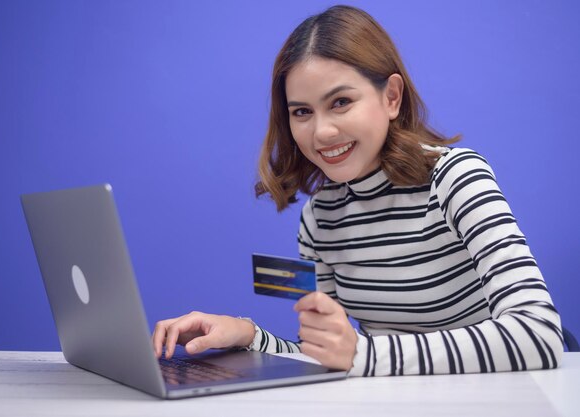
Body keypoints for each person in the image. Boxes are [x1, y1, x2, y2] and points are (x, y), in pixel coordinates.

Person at [152, 5, 563, 376]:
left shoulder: (455, 177)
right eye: (302, 112)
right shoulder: (319, 220)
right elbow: (328, 354)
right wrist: (246, 336)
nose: (322, 132)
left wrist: (365, 357)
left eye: (341, 102)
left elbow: (538, 333)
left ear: (391, 97)